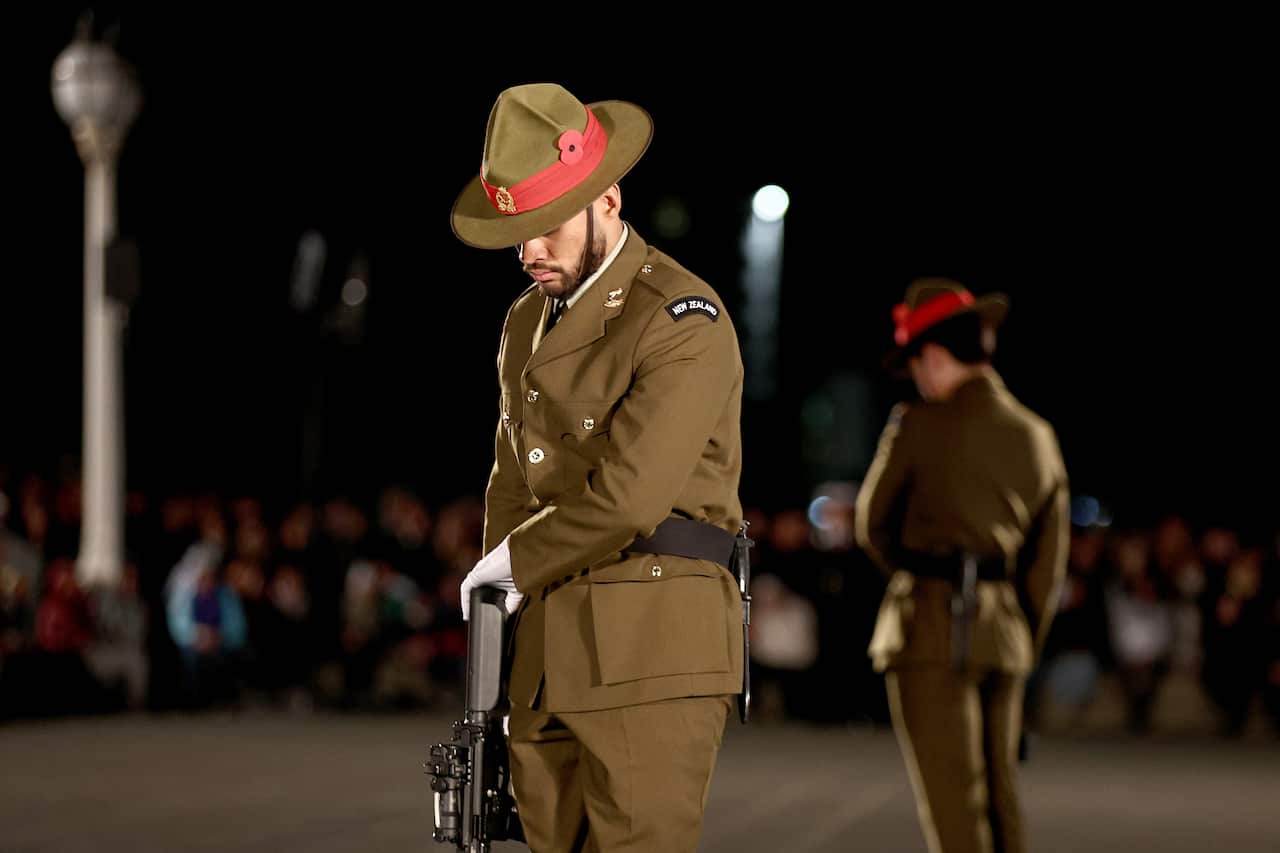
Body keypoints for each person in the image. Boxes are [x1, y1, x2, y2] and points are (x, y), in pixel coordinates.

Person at [451, 83, 746, 852]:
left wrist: (512, 563)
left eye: (547, 226)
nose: (529, 251)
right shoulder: (525, 320)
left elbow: (629, 497)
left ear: (608, 199)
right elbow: (511, 479)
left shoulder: (681, 316)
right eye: (519, 229)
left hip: (652, 647)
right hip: (548, 656)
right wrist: (497, 629)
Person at [855, 278, 1069, 853]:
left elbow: (871, 524)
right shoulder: (1037, 436)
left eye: (917, 363)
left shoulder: (918, 424)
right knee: (1001, 797)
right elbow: (1047, 567)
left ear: (936, 355)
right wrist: (1021, 631)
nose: (918, 379)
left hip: (927, 626)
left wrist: (918, 578)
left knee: (955, 806)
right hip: (1005, 634)